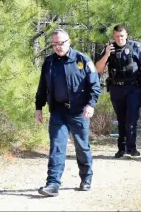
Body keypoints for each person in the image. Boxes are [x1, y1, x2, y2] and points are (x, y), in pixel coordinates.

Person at [35, 29, 101, 196]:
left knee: (82, 146)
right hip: (58, 111)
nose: (58, 47)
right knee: (57, 147)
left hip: (79, 112)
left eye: (61, 43)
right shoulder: (49, 62)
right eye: (55, 44)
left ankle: (86, 178)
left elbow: (95, 86)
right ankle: (53, 184)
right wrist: (38, 107)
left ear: (69, 42)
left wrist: (90, 105)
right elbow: (42, 87)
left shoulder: (83, 60)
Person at [96, 25, 141, 158]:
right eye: (117, 36)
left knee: (131, 118)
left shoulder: (136, 47)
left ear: (126, 35)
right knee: (121, 119)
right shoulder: (110, 48)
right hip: (116, 88)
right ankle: (122, 148)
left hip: (134, 88)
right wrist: (107, 54)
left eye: (122, 36)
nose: (119, 38)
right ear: (113, 36)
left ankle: (131, 148)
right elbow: (98, 69)